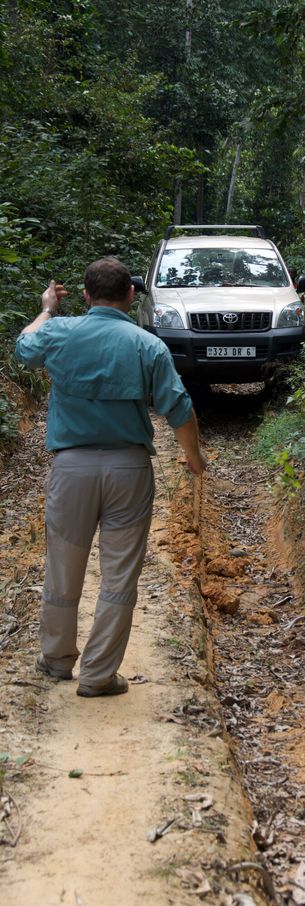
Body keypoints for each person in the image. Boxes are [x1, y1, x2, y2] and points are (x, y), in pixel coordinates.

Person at [15, 257, 207, 698]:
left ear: (85, 295)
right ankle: (99, 675)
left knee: (64, 567)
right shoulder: (147, 345)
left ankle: (57, 659)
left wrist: (47, 308)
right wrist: (194, 458)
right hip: (128, 470)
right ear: (130, 296)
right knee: (119, 573)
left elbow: (24, 349)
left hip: (72, 470)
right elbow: (179, 409)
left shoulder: (59, 332)